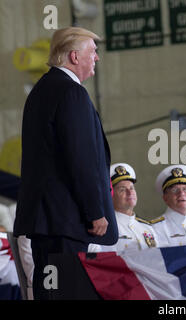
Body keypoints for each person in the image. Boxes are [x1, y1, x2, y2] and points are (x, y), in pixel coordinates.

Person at [13, 27, 118, 299]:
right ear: (74, 56)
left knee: (50, 293)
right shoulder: (72, 93)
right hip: (67, 221)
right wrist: (94, 211)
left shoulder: (41, 91)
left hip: (46, 222)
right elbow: (80, 158)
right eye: (93, 52)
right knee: (67, 294)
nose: (97, 58)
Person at [89, 163, 159, 252]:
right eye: (122, 189)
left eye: (132, 188)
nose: (130, 193)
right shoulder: (103, 227)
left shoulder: (147, 228)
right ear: (110, 196)